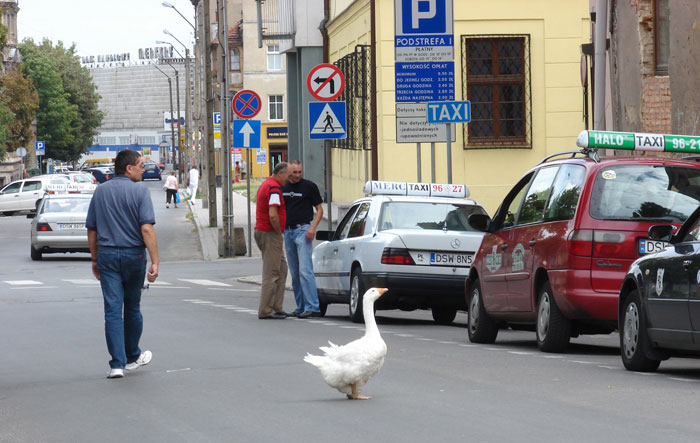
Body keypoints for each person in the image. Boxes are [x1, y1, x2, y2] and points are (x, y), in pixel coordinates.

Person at [86, 150, 159, 379]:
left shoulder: (101, 191)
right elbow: (146, 228)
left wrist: (95, 258)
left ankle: (116, 364)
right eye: (140, 165)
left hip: (107, 255)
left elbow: (92, 229)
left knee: (112, 310)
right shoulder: (139, 191)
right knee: (133, 307)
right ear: (129, 168)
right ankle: (132, 356)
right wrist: (155, 260)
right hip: (133, 256)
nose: (142, 169)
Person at [283, 160, 324, 318]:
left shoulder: (309, 186)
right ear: (288, 172)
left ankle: (313, 306)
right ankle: (300, 307)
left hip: (303, 230)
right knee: (294, 272)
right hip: (288, 232)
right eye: (294, 173)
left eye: (300, 172)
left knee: (305, 271)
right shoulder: (283, 186)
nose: (297, 176)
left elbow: (319, 210)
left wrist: (313, 227)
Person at [254, 162, 290, 319]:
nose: (288, 180)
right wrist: (278, 231)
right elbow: (273, 214)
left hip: (265, 231)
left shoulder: (267, 183)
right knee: (272, 273)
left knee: (282, 269)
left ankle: (276, 306)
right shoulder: (274, 188)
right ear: (280, 173)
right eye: (288, 176)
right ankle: (266, 310)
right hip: (270, 233)